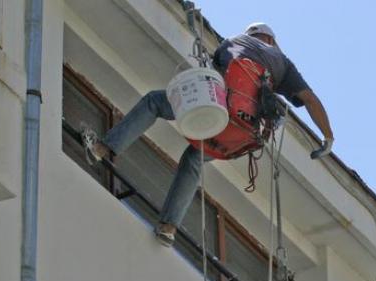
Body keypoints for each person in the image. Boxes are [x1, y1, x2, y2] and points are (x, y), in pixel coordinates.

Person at [85, 22, 334, 246]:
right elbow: (310, 100)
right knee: (195, 157)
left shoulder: (234, 42)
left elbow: (213, 76)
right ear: (271, 40)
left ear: (253, 35)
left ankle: (103, 149)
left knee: (154, 102)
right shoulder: (283, 63)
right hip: (246, 132)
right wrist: (327, 137)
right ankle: (168, 227)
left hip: (220, 108)